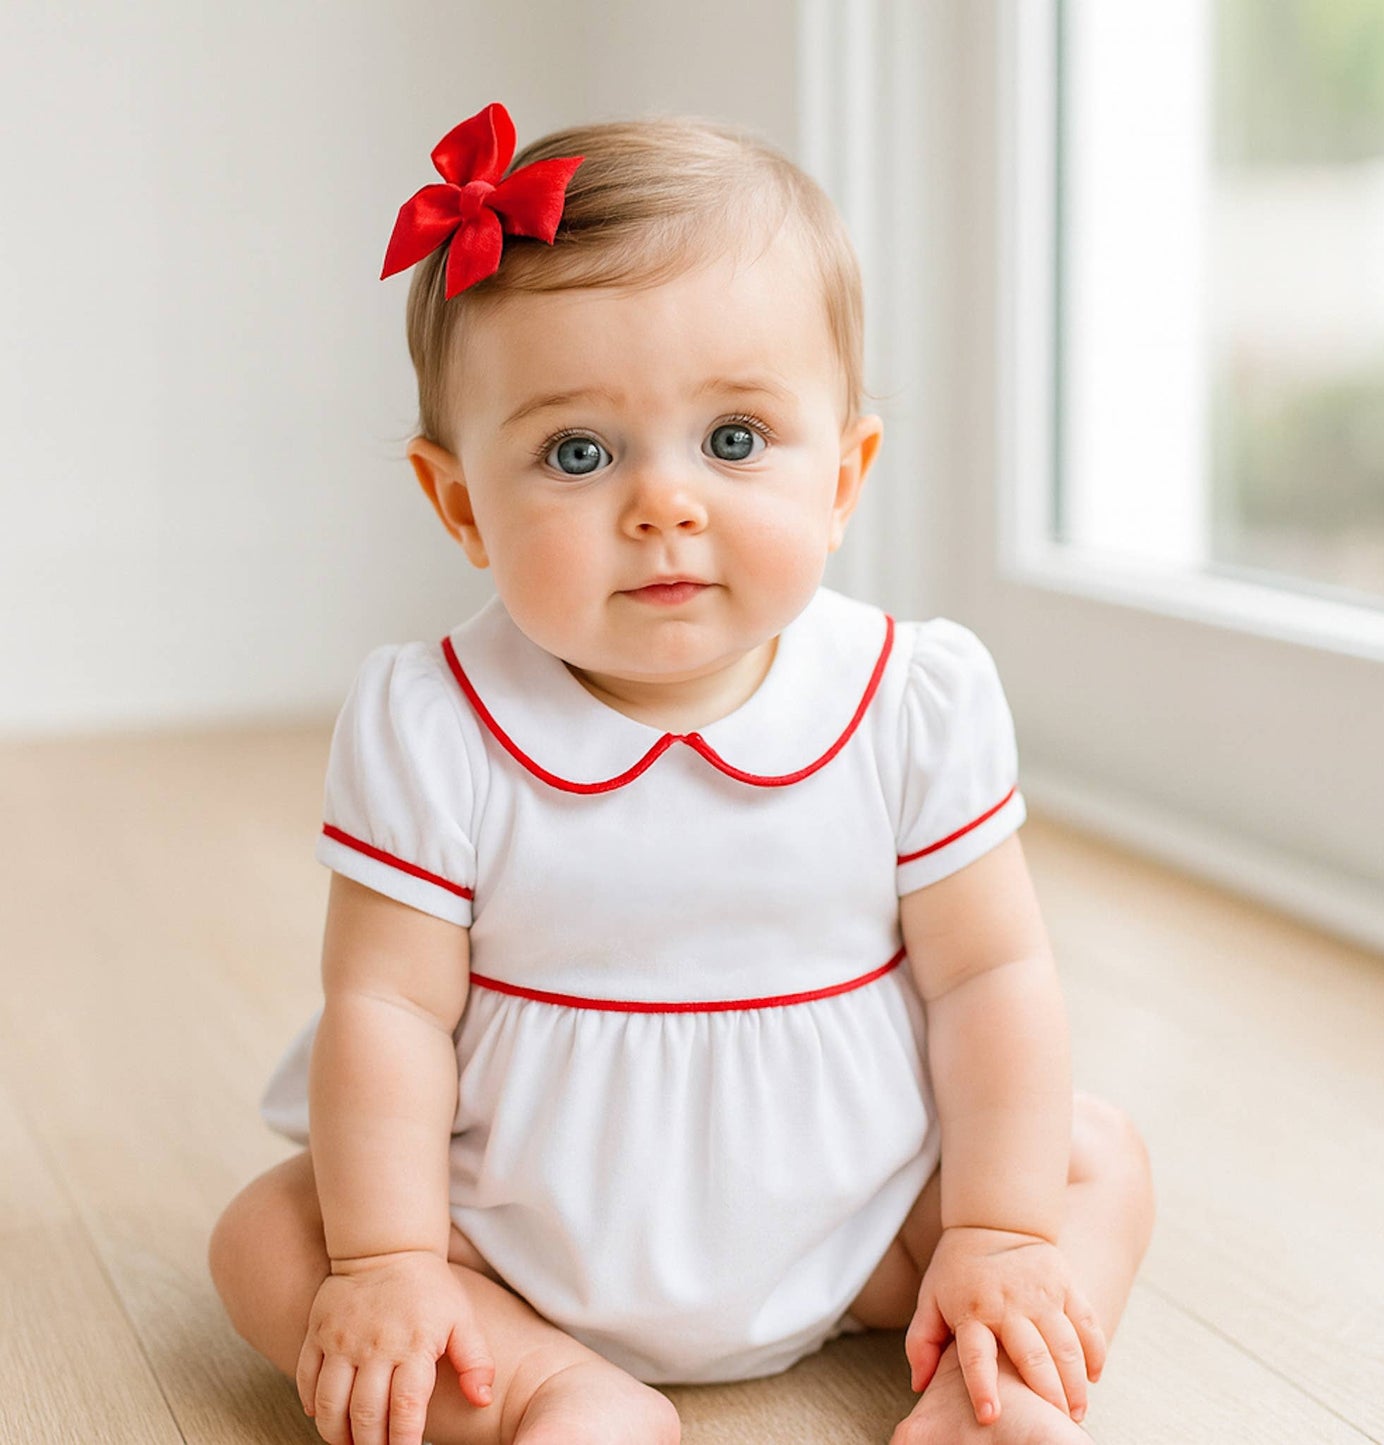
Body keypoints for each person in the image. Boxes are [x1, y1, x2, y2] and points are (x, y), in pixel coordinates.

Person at [208, 103, 1155, 1445]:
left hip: (862, 1222)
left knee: (1092, 1156)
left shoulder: (913, 698)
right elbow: (387, 1009)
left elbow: (989, 976)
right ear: (463, 503)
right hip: (514, 1234)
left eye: (734, 439)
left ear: (844, 476)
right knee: (272, 1239)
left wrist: (994, 1231)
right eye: (577, 453)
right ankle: (553, 1390)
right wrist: (392, 1259)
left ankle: (979, 1395)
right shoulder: (433, 721)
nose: (665, 504)